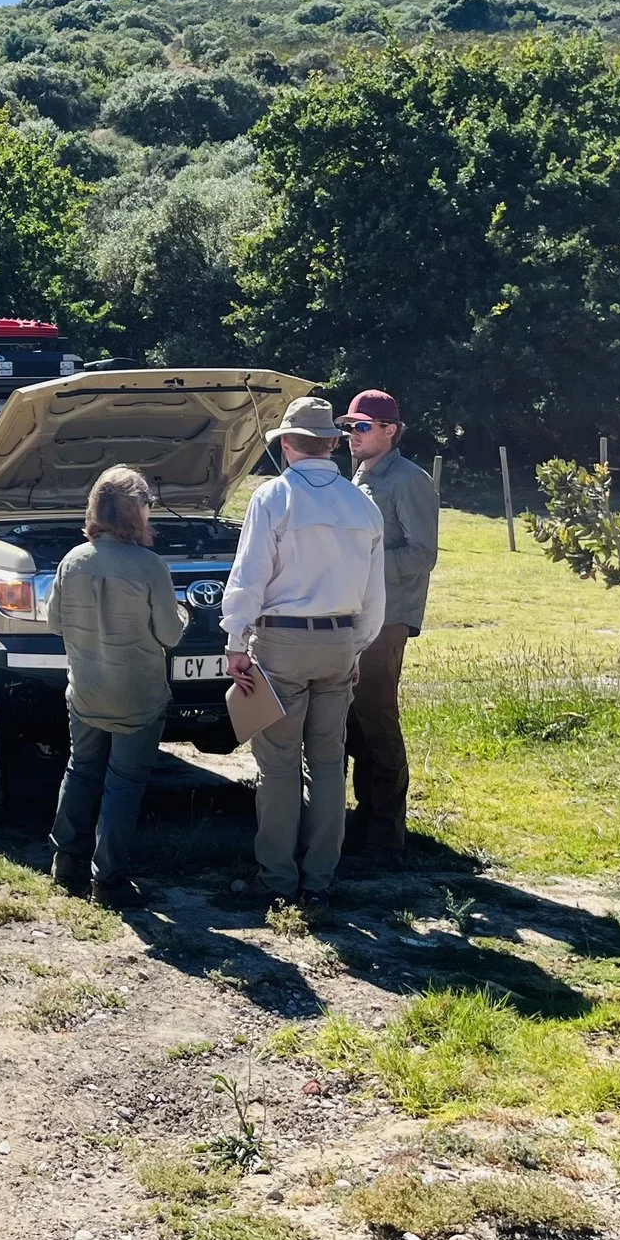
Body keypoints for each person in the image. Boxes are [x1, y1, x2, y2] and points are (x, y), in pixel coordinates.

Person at [219, 396, 384, 907]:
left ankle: (276, 877)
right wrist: (356, 648)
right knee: (330, 761)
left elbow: (249, 578)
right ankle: (319, 877)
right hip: (339, 642)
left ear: (287, 443)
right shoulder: (363, 504)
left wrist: (235, 641)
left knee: (279, 763)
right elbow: (375, 593)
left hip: (282, 641)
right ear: (333, 444)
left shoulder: (273, 497)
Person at [45, 465, 184, 907]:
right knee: (123, 783)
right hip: (138, 695)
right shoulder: (150, 566)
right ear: (137, 511)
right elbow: (170, 634)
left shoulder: (71, 560)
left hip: (84, 689)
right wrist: (183, 614)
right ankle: (109, 880)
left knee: (81, 769)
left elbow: (53, 622)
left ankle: (66, 862)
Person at [340, 389, 438, 857]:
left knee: (377, 719)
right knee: (352, 720)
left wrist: (361, 562)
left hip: (388, 618)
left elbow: (423, 554)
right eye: (349, 427)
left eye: (361, 427)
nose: (351, 435)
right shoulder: (360, 476)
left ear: (389, 431)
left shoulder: (409, 480)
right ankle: (364, 821)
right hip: (356, 616)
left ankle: (385, 836)